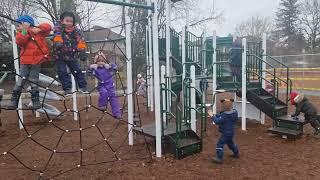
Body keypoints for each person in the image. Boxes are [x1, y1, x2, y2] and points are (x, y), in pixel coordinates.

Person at [7, 15, 51, 110]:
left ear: (27, 24)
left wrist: (38, 29)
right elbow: (20, 41)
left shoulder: (38, 33)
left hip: (36, 62)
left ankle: (36, 101)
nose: (17, 27)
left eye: (19, 25)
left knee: (34, 81)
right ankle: (14, 101)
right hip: (25, 62)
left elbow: (48, 27)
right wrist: (24, 30)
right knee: (20, 80)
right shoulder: (21, 33)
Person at [53, 11, 87, 95]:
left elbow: (81, 40)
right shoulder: (59, 29)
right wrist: (58, 42)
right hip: (60, 55)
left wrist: (82, 51)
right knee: (62, 71)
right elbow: (57, 34)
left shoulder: (76, 31)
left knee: (77, 71)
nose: (69, 23)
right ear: (62, 21)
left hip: (72, 56)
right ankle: (67, 88)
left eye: (71, 21)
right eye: (67, 21)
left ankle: (82, 87)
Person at [89, 51, 122, 119]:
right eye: (98, 61)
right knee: (104, 92)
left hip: (110, 85)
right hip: (101, 85)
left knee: (113, 99)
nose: (100, 62)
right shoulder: (96, 69)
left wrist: (110, 65)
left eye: (102, 60)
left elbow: (115, 68)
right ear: (96, 62)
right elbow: (89, 73)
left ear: (105, 61)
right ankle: (102, 105)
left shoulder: (108, 67)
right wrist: (91, 67)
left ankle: (117, 113)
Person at [207, 99, 239, 164]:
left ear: (224, 107)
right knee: (230, 143)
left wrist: (212, 115)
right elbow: (223, 117)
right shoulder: (234, 112)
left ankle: (219, 158)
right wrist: (215, 115)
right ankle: (236, 153)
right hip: (231, 132)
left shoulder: (225, 115)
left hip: (226, 133)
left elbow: (217, 121)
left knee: (220, 144)